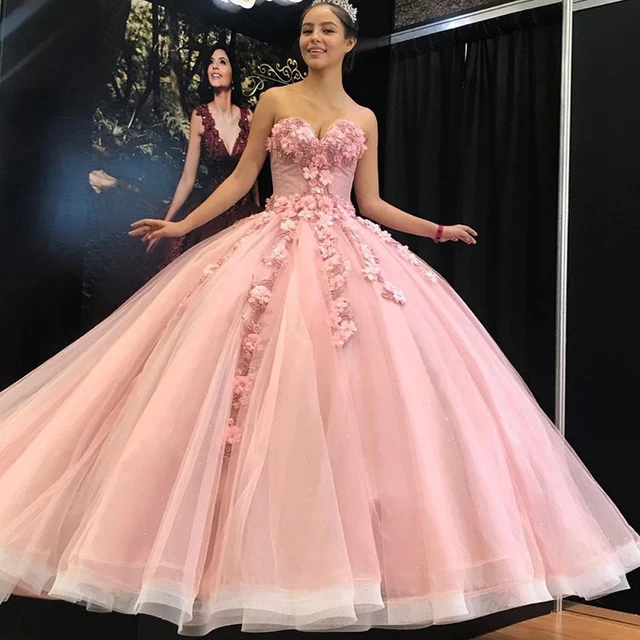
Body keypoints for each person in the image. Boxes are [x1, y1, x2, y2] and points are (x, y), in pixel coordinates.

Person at [0, 1, 638, 636]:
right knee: (252, 389)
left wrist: (435, 230)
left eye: (326, 29)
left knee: (354, 398)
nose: (314, 37)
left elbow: (372, 201)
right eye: (307, 28)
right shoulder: (275, 100)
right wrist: (183, 225)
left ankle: (340, 566)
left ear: (349, 42)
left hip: (349, 252)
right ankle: (228, 560)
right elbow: (242, 180)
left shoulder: (364, 116)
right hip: (273, 247)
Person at [149, 42, 260, 266]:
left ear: (233, 73)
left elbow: (252, 171)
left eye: (222, 62)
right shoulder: (200, 116)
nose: (214, 66)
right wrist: (167, 222)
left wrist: (257, 209)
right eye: (210, 62)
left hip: (244, 212)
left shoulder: (249, 117)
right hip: (209, 213)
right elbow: (187, 179)